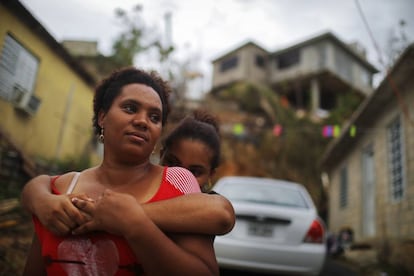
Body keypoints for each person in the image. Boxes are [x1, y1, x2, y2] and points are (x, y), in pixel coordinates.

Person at [23, 67, 221, 275]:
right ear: (102, 117)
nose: (142, 121)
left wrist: (134, 224)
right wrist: (37, 197)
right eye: (130, 108)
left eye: (154, 117)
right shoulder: (59, 190)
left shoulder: (177, 180)